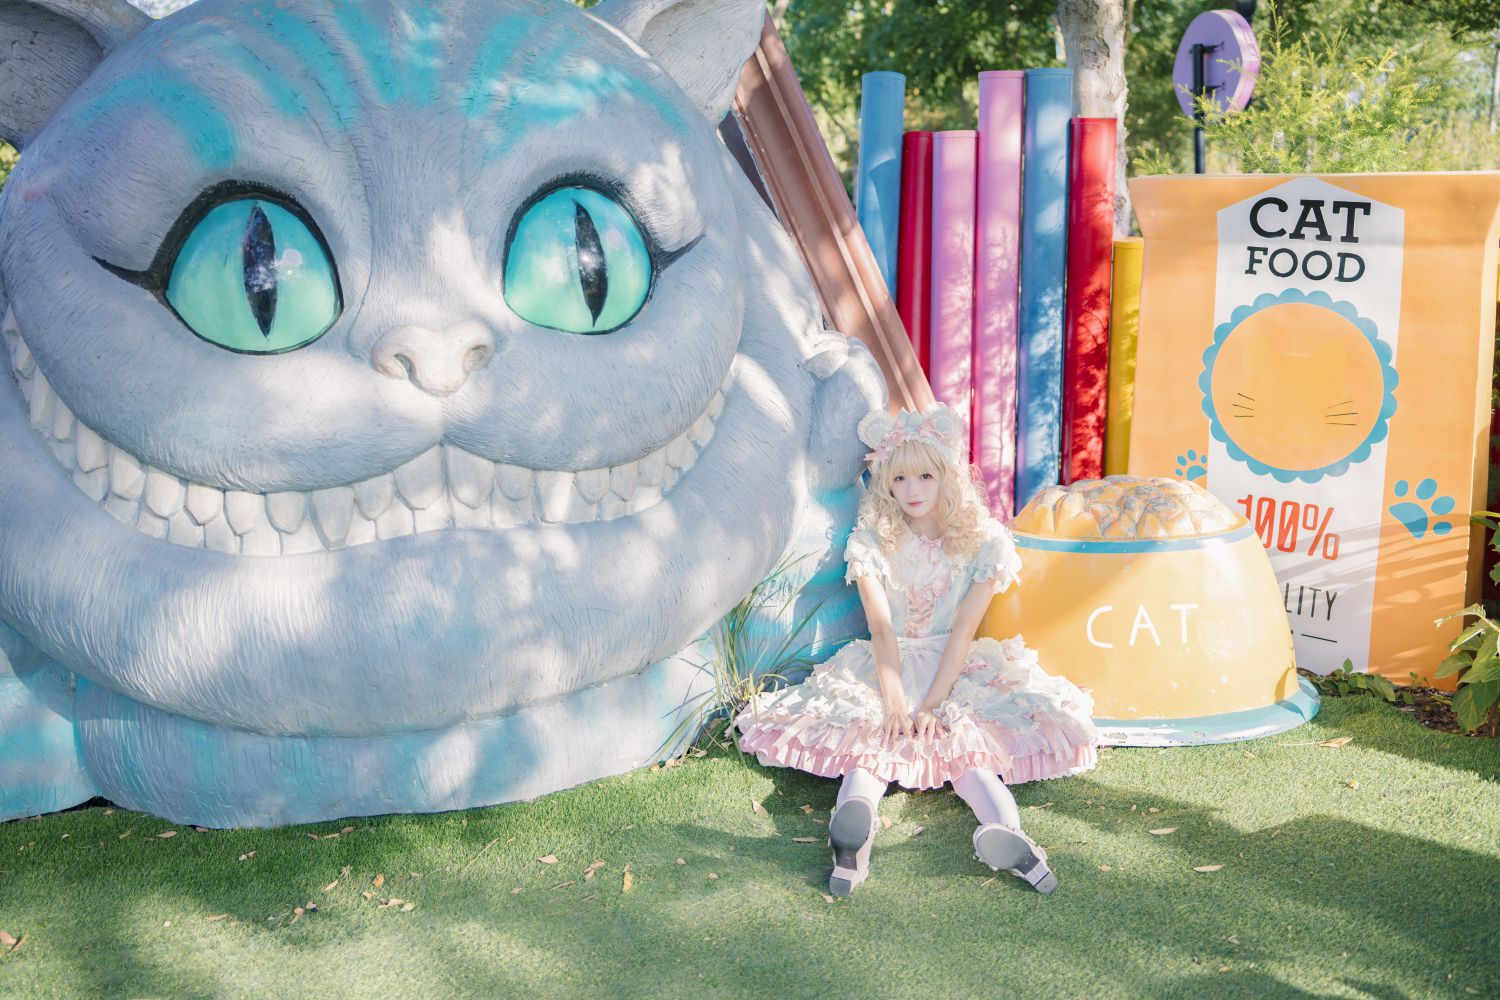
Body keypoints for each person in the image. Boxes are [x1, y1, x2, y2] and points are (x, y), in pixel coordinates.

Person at [736, 403, 1099, 896]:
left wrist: (928, 704)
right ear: (885, 482)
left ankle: (1001, 836)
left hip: (954, 664)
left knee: (964, 746)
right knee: (875, 738)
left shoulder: (985, 542)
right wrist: (895, 704)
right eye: (900, 478)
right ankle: (857, 828)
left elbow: (963, 631)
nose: (912, 490)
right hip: (889, 661)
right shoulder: (871, 540)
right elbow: (882, 630)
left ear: (948, 476)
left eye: (925, 476)